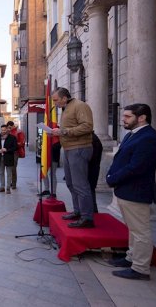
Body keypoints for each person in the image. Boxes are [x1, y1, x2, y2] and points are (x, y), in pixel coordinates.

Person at [106, 103, 156, 281]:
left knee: (140, 231)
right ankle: (131, 257)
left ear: (142, 117)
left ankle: (140, 268)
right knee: (133, 229)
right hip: (126, 190)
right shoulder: (134, 134)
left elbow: (136, 167)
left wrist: (113, 178)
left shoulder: (149, 138)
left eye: (127, 117)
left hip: (136, 190)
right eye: (123, 116)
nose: (123, 119)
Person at [51, 87, 95, 228]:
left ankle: (87, 217)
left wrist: (63, 131)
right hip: (69, 149)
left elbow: (87, 126)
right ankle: (78, 211)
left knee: (80, 184)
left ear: (64, 98)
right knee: (70, 183)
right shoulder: (66, 108)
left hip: (79, 148)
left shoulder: (80, 106)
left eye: (56, 100)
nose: (55, 103)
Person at [0, 125, 17, 193]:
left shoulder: (12, 137)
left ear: (7, 130)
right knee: (1, 173)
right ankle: (2, 187)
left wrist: (7, 150)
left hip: (9, 157)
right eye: (2, 130)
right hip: (0, 157)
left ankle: (8, 188)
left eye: (4, 130)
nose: (3, 131)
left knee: (9, 173)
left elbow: (15, 147)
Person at [7, 121, 25, 189]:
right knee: (10, 168)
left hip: (15, 152)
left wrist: (14, 145)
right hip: (9, 152)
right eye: (8, 127)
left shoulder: (19, 132)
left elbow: (22, 142)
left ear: (13, 126)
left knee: (13, 168)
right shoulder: (8, 132)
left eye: (10, 127)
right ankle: (11, 182)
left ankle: (14, 184)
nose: (9, 128)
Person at [88, 132, 103, 212]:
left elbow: (92, 157)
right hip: (92, 169)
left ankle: (92, 212)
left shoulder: (92, 139)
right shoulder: (92, 138)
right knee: (90, 191)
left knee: (90, 191)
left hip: (91, 170)